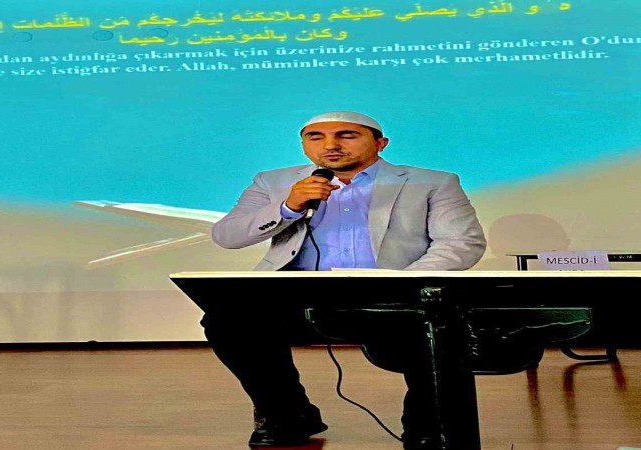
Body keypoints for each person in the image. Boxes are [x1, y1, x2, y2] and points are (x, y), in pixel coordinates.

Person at [203, 111, 487, 449]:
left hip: (395, 292)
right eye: (316, 137)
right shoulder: (272, 182)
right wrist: (288, 206)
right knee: (227, 320)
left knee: (440, 324)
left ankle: (427, 425)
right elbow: (227, 236)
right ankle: (287, 415)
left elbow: (461, 242)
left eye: (347, 135)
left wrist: (404, 283)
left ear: (381, 143)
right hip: (297, 294)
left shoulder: (431, 182)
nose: (331, 145)